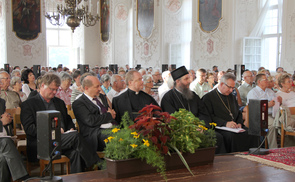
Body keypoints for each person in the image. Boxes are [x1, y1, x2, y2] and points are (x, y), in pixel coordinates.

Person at [21, 73, 101, 173]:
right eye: (52, 89)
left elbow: (67, 120)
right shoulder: (29, 104)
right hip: (42, 142)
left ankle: (78, 178)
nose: (54, 92)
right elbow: (29, 129)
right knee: (75, 137)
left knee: (76, 152)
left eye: (56, 89)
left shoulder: (59, 102)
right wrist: (53, 131)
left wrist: (70, 129)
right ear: (42, 85)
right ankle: (98, 165)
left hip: (63, 140)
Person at [161, 66, 226, 154]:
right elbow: (172, 119)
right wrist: (191, 128)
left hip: (200, 129)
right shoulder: (168, 98)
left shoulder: (193, 95)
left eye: (189, 78)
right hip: (182, 132)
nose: (189, 81)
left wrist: (202, 126)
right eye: (186, 79)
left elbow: (204, 113)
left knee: (217, 137)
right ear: (177, 81)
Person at [203, 73, 259, 153]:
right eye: (229, 87)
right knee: (232, 137)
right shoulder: (208, 98)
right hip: (219, 127)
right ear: (222, 84)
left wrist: (239, 123)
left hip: (235, 127)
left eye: (233, 88)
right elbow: (209, 116)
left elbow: (238, 113)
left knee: (253, 133)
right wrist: (225, 123)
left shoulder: (231, 97)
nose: (231, 90)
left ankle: (254, 159)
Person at [72, 75, 116, 152]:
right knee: (117, 138)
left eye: (100, 86)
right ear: (87, 88)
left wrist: (112, 114)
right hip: (95, 134)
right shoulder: (79, 103)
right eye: (97, 87)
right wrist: (109, 115)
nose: (100, 89)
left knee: (131, 134)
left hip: (112, 128)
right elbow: (91, 121)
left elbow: (110, 111)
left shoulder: (102, 97)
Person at [247, 73, 279, 149]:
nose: (268, 81)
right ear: (259, 81)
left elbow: (275, 102)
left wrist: (278, 101)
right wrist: (267, 105)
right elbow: (253, 108)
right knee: (272, 125)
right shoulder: (253, 93)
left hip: (274, 114)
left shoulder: (270, 91)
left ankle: (288, 146)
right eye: (266, 80)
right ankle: (273, 148)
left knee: (284, 123)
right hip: (261, 116)